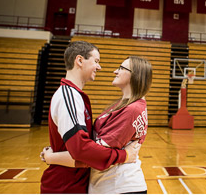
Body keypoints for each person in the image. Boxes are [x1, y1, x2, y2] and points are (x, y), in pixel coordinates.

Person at [39, 41, 140, 193]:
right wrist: (123, 155)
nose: (99, 67)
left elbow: (77, 147)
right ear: (79, 60)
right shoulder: (69, 96)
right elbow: (80, 149)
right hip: (64, 186)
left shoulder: (75, 96)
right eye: (96, 61)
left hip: (76, 184)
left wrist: (53, 156)